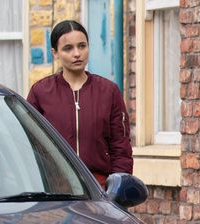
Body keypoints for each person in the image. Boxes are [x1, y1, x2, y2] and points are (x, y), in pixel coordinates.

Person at [27, 20, 133, 186]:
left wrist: (117, 190)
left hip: (99, 189)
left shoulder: (108, 91)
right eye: (68, 48)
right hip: (54, 190)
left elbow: (121, 146)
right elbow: (30, 145)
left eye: (82, 46)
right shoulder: (40, 92)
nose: (77, 53)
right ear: (55, 53)